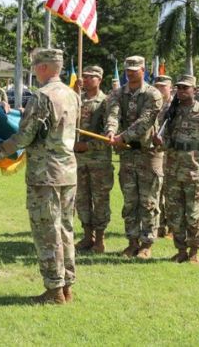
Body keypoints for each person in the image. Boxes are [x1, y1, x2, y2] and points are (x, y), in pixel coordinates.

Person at [0, 48, 80, 304]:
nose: (34, 71)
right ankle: (67, 286)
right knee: (65, 229)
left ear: (43, 68)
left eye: (35, 66)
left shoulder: (42, 96)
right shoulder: (72, 95)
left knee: (47, 231)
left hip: (45, 174)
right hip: (68, 171)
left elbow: (25, 135)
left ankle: (54, 290)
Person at [104, 55, 163, 259]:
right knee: (130, 201)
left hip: (148, 154)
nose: (130, 73)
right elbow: (112, 113)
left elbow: (145, 121)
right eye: (127, 69)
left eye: (134, 69)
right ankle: (132, 241)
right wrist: (111, 132)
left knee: (148, 201)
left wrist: (123, 136)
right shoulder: (118, 93)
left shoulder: (153, 95)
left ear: (143, 70)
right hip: (127, 154)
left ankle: (147, 244)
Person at [158, 75, 199, 264]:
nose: (182, 91)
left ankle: (194, 251)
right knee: (174, 213)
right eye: (179, 88)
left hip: (194, 169)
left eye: (186, 88)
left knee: (193, 213)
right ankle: (181, 249)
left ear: (194, 90)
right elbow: (165, 141)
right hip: (173, 168)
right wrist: (160, 142)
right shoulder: (171, 113)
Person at [74, 65, 114, 253]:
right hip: (79, 160)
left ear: (99, 79)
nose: (87, 79)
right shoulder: (77, 100)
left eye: (91, 77)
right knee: (81, 199)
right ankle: (87, 236)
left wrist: (88, 146)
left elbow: (109, 135)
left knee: (100, 200)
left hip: (98, 159)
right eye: (85, 77)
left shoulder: (106, 102)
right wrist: (74, 93)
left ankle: (99, 239)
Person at [154, 75, 173, 238]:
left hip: (171, 154)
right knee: (157, 189)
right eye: (157, 87)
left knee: (170, 190)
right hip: (155, 153)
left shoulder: (176, 106)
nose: (160, 90)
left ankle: (173, 226)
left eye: (163, 87)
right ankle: (160, 225)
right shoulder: (152, 105)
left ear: (170, 88)